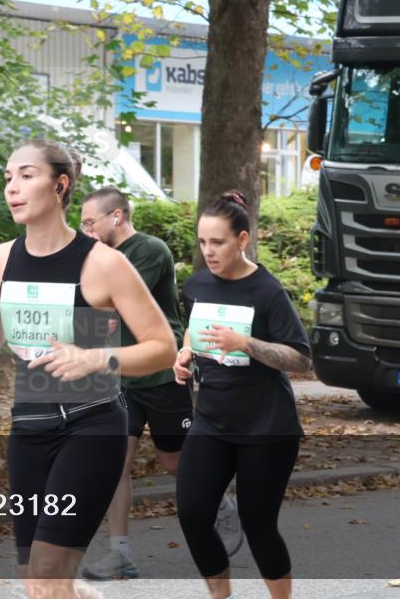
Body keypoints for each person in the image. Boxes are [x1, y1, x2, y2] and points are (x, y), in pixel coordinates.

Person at [0, 140, 176, 599]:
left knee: (50, 579)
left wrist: (97, 357)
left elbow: (163, 347)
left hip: (91, 426)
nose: (13, 187)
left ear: (60, 185)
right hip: (29, 427)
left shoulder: (102, 264)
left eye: (27, 175)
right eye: (8, 177)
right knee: (40, 586)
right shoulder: (0, 259)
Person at [77, 187, 243, 581]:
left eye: (90, 222)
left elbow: (105, 300)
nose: (84, 231)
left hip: (161, 372)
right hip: (118, 376)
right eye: (81, 224)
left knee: (173, 461)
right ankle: (121, 554)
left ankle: (218, 500)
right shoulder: (96, 257)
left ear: (116, 216)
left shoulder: (149, 250)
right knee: (116, 463)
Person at [173, 190, 311, 599]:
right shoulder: (197, 284)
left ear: (243, 240)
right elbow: (195, 331)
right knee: (193, 514)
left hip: (266, 427)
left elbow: (302, 359)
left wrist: (246, 343)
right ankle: (221, 595)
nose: (208, 251)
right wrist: (184, 354)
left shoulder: (267, 292)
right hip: (212, 420)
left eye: (218, 242)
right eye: (202, 242)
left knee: (258, 524)